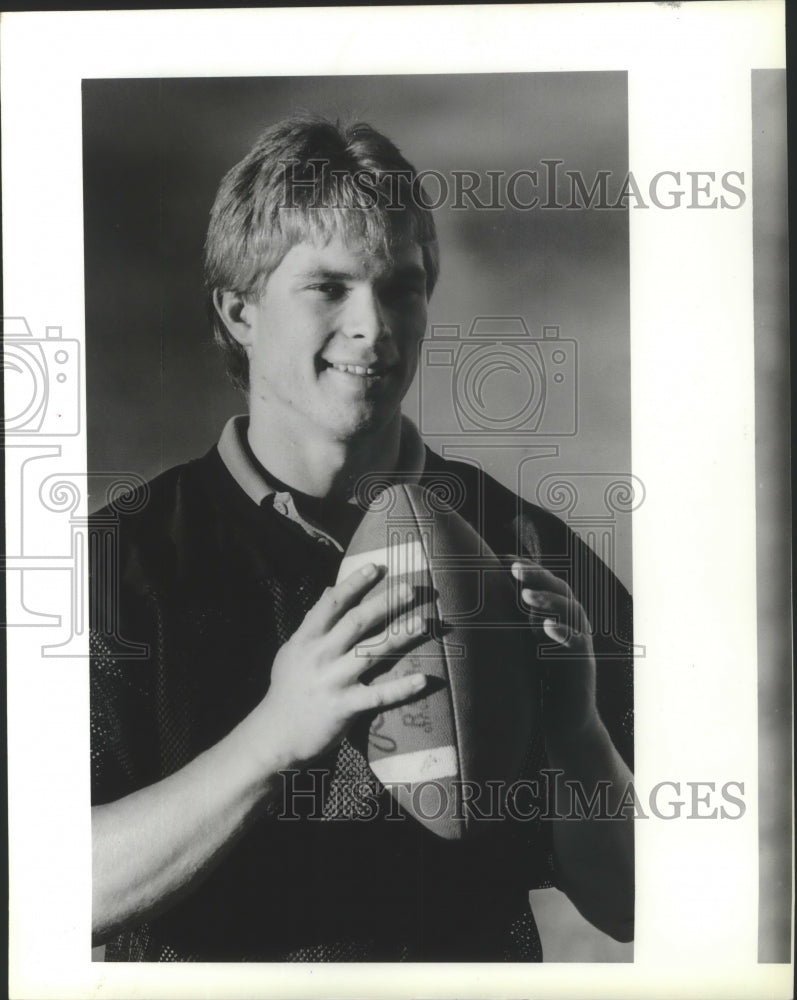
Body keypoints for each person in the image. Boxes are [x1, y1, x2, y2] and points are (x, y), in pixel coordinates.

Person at [90, 114, 634, 962]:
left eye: (401, 287)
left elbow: (648, 902)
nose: (374, 326)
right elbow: (44, 890)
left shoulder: (524, 545)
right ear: (238, 309)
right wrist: (274, 737)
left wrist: (576, 739)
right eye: (328, 286)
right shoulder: (117, 565)